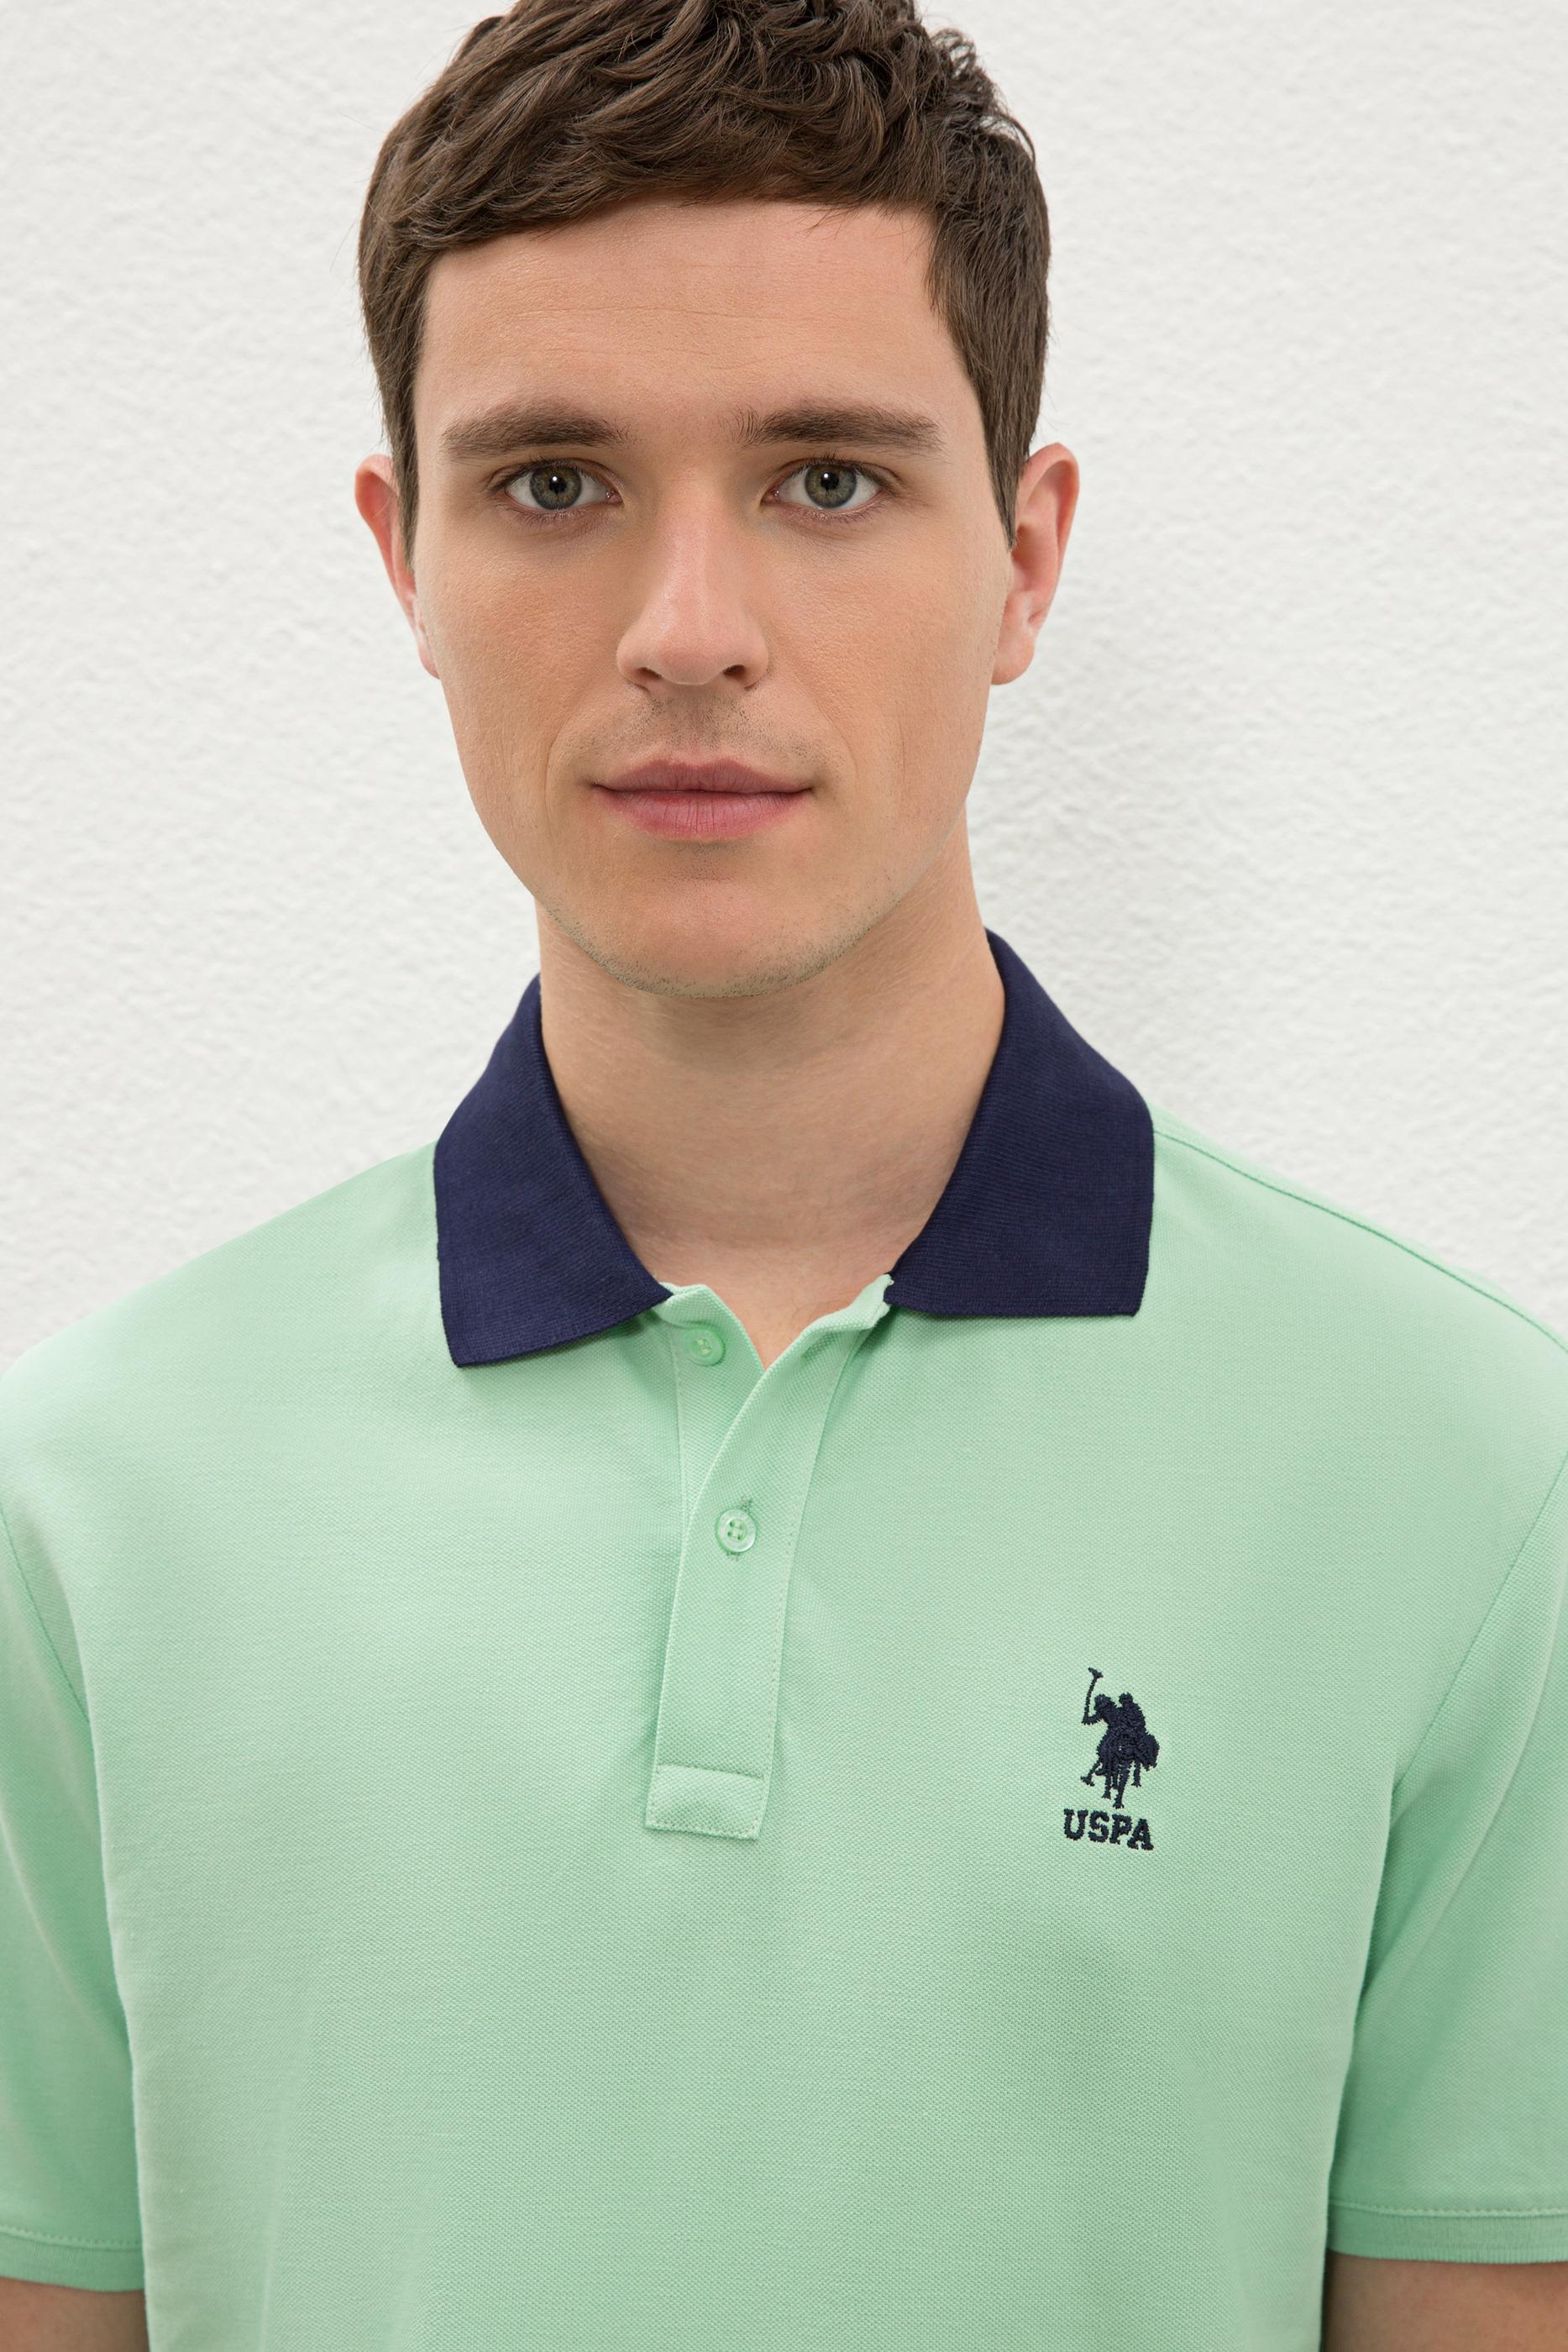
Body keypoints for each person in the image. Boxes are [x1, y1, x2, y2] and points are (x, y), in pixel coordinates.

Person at [3, 3, 1565, 2346]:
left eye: (826, 480)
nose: (688, 633)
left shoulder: (1466, 1477)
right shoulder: (88, 1505)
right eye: (554, 484)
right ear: (404, 558)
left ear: (1024, 559)